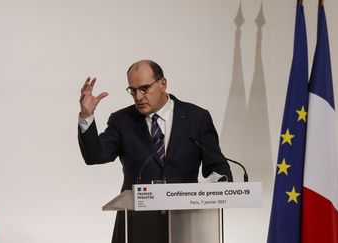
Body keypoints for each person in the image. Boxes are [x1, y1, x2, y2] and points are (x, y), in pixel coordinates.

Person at [78, 60, 232, 243]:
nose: (138, 96)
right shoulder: (122, 121)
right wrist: (86, 116)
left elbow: (219, 169)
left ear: (162, 84)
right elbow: (96, 155)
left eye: (144, 88)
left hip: (186, 225)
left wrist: (208, 190)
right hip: (135, 227)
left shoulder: (196, 118)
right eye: (133, 90)